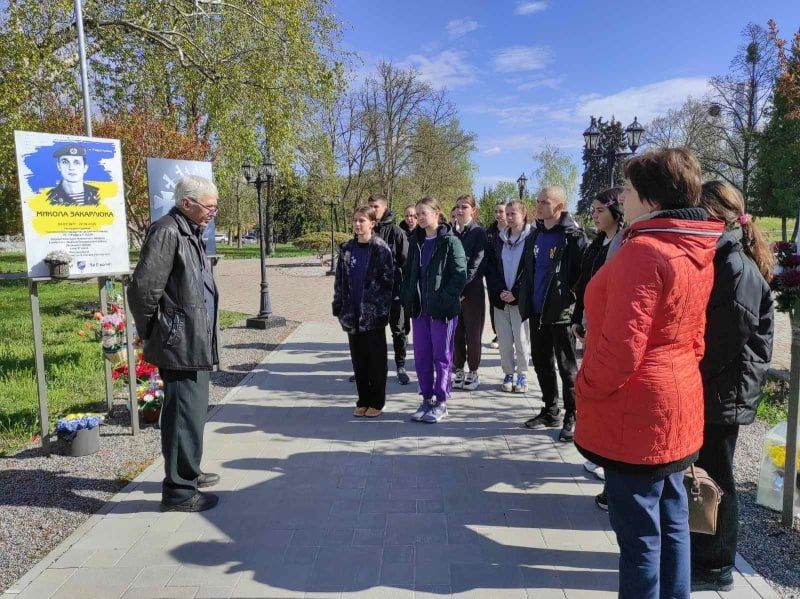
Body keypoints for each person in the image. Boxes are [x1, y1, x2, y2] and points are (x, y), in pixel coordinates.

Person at [574, 148, 724, 599]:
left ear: (652, 200)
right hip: (676, 398)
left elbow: (622, 350)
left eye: (629, 189)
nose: (621, 196)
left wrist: (584, 385)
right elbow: (695, 336)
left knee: (640, 534)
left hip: (637, 410)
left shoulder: (645, 251)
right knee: (672, 520)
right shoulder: (693, 246)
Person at [691, 181, 775, 592]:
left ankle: (717, 564)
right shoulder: (723, 257)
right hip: (719, 385)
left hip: (725, 388)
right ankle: (703, 550)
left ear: (714, 214)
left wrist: (691, 372)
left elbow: (725, 339)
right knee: (706, 471)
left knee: (718, 477)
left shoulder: (735, 265)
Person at [128, 175, 221, 513]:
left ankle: (188, 472)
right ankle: (180, 492)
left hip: (190, 340)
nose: (213, 212)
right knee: (183, 415)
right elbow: (142, 291)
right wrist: (154, 331)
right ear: (186, 204)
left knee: (192, 413)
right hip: (179, 342)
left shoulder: (189, 231)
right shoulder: (168, 231)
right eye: (208, 207)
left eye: (214, 206)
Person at [521, 186, 587, 442]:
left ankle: (573, 415)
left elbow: (584, 274)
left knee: (567, 368)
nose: (538, 205)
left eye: (544, 202)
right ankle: (550, 410)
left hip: (560, 314)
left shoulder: (573, 236)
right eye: (537, 201)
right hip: (537, 312)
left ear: (559, 206)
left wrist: (570, 300)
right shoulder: (535, 234)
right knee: (541, 364)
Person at [400, 196, 466, 423]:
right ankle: (426, 398)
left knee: (442, 356)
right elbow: (408, 274)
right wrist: (407, 297)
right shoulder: (415, 240)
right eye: (417, 214)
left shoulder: (450, 241)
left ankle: (441, 401)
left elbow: (459, 276)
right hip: (420, 311)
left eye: (423, 213)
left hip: (442, 312)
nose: (419, 217)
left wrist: (444, 299)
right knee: (421, 356)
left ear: (437, 214)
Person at [333, 206, 395, 418]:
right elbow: (339, 281)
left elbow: (388, 283)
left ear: (372, 224)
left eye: (362, 220)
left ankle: (377, 401)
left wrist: (381, 309)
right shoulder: (346, 249)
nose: (358, 224)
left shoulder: (380, 248)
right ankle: (363, 399)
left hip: (373, 315)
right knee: (358, 361)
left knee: (376, 361)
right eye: (355, 220)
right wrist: (338, 305)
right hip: (352, 314)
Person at [486, 200, 532, 393]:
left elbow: (531, 271)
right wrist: (499, 291)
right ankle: (508, 372)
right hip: (501, 299)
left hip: (520, 299)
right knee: (504, 340)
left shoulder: (532, 239)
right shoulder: (498, 239)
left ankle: (522, 374)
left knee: (521, 339)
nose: (510, 217)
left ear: (523, 215)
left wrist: (516, 293)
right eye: (508, 213)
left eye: (514, 214)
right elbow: (492, 268)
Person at [367, 195, 411, 385]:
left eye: (375, 206)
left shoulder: (397, 232)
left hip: (393, 290)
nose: (372, 209)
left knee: (398, 330)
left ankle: (400, 365)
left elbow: (406, 261)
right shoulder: (366, 230)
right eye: (370, 206)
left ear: (384, 208)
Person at [452, 194, 488, 391]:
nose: (460, 210)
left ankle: (473, 371)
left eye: (464, 207)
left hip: (472, 292)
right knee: (457, 333)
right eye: (457, 207)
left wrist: (462, 288)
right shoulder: (451, 232)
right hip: (454, 294)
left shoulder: (479, 232)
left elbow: (477, 263)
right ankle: (458, 369)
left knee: (473, 334)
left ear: (473, 210)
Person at [485, 201, 507, 349]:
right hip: (494, 275)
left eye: (501, 211)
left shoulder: (513, 231)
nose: (498, 214)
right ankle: (498, 333)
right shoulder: (489, 232)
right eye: (496, 211)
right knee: (495, 306)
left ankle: (509, 335)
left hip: (510, 275)